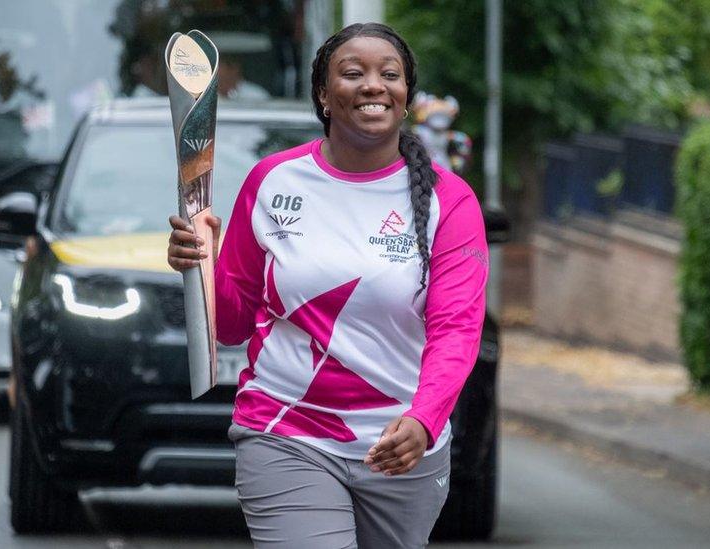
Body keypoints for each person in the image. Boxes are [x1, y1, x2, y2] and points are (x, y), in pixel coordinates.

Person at [167, 22, 488, 548]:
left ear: (406, 96)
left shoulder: (450, 202)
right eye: (353, 73)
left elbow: (456, 329)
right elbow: (229, 326)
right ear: (323, 94)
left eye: (390, 75)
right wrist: (200, 266)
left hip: (400, 444)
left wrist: (425, 419)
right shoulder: (274, 182)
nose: (373, 85)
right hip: (285, 430)